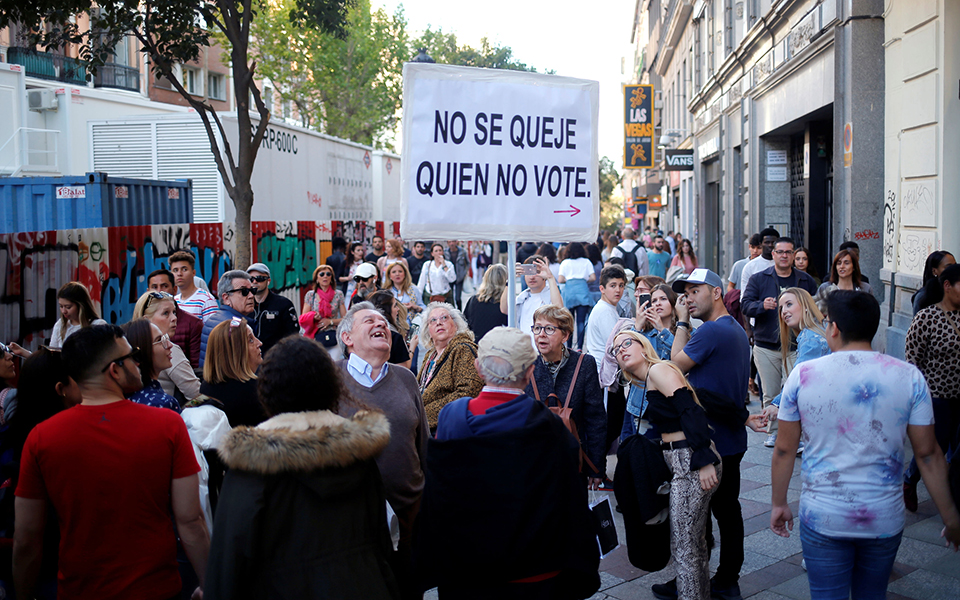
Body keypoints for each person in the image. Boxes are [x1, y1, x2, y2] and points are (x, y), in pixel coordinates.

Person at [770, 291, 960, 598]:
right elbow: (928, 454)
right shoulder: (909, 377)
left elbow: (784, 449)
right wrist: (950, 517)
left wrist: (779, 504)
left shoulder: (803, 375)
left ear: (834, 328)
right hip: (883, 516)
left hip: (823, 515)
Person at [13, 325, 209, 600]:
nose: (138, 362)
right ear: (114, 370)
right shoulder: (167, 425)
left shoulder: (41, 438)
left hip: (79, 590)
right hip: (156, 589)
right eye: (131, 357)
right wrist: (210, 583)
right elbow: (190, 520)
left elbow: (26, 539)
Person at [204, 336, 400, 599]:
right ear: (331, 387)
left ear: (268, 390)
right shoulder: (358, 455)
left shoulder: (251, 466)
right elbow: (382, 544)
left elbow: (227, 566)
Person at [417, 327, 601, 599]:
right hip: (535, 570)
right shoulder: (550, 426)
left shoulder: (452, 417)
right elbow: (569, 498)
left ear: (479, 369)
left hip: (467, 569)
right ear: (529, 372)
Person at [663, 268, 752, 600]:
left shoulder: (711, 332)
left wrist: (682, 322)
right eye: (684, 293)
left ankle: (711, 578)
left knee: (703, 515)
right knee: (725, 511)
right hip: (727, 435)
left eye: (694, 291)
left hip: (712, 438)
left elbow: (674, 365)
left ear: (716, 292)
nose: (687, 298)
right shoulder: (733, 329)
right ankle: (723, 577)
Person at [614, 331, 721, 600]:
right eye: (616, 349)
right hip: (681, 459)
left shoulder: (658, 369)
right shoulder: (647, 378)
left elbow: (690, 409)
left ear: (643, 345)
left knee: (684, 546)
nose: (621, 350)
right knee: (692, 544)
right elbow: (702, 398)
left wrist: (704, 460)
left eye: (627, 343)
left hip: (691, 458)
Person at [336, 302, 429, 599]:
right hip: (352, 519)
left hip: (408, 514)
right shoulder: (330, 380)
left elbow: (423, 444)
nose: (382, 325)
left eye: (384, 322)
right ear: (348, 338)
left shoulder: (406, 379)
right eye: (369, 321)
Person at [0, 347, 80, 599]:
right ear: (61, 389)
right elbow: (28, 537)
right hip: (55, 573)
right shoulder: (60, 444)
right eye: (75, 377)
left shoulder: (13, 435)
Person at [740, 237, 818, 448]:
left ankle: (797, 435)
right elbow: (745, 305)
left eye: (788, 252)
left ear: (793, 255)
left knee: (796, 390)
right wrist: (760, 305)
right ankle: (773, 433)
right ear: (772, 254)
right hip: (766, 344)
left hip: (796, 345)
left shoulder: (805, 281)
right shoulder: (759, 278)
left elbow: (814, 308)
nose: (784, 255)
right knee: (770, 392)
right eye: (780, 252)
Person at [525, 305, 606, 487]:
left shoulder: (584, 364)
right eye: (537, 328)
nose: (541, 334)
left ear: (566, 335)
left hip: (573, 459)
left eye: (549, 329)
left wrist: (596, 467)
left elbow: (595, 419)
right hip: (536, 461)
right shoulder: (526, 365)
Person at [902, 263, 960, 512]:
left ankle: (953, 495)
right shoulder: (927, 317)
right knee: (934, 446)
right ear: (947, 286)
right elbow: (912, 360)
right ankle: (910, 479)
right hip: (937, 397)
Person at [759, 288, 830, 455]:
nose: (784, 311)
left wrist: (776, 404)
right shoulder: (814, 332)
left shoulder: (811, 338)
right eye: (781, 308)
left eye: (789, 304)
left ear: (805, 306)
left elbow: (798, 378)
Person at [417, 303, 484, 432]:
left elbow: (468, 392)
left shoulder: (462, 349)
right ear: (428, 330)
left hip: (448, 428)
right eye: (433, 320)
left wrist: (425, 414)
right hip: (426, 427)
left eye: (444, 318)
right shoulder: (430, 355)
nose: (439, 323)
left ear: (456, 324)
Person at [133, 291, 200, 402]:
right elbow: (196, 394)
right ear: (146, 320)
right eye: (166, 313)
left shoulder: (127, 346)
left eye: (174, 312)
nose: (174, 318)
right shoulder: (170, 349)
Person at [200, 318, 265, 427]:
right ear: (235, 352)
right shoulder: (256, 390)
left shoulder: (206, 387)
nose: (260, 343)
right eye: (250, 340)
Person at [200, 270, 257, 369]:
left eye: (252, 291)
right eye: (244, 292)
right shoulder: (235, 326)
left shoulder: (214, 319)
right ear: (226, 298)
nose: (251, 296)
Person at [122, 319, 181, 413]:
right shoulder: (163, 404)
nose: (170, 345)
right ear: (142, 352)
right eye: (159, 340)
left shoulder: (122, 396)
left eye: (165, 338)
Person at [149, 269, 203, 370]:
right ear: (148, 291)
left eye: (164, 286)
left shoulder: (193, 324)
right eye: (154, 287)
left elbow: (196, 368)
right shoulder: (142, 324)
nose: (159, 291)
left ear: (174, 290)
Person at [500, 256, 564, 338]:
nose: (532, 277)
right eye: (528, 273)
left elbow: (559, 310)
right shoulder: (522, 297)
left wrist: (550, 277)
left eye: (536, 272)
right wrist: (510, 280)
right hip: (524, 347)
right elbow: (504, 309)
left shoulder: (551, 295)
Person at [247, 263, 298, 356]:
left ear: (268, 281)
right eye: (251, 279)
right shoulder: (245, 305)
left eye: (259, 278)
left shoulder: (283, 304)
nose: (254, 282)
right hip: (251, 360)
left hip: (276, 360)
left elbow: (293, 336)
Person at [584, 266, 627, 368]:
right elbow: (614, 346)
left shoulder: (608, 308)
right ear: (602, 289)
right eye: (613, 286)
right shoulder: (605, 311)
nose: (618, 290)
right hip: (603, 371)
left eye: (621, 285)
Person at [301, 265, 346, 356]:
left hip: (333, 336)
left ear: (332, 278)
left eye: (328, 274)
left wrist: (330, 322)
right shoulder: (311, 295)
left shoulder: (338, 294)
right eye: (321, 274)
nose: (325, 276)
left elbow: (345, 318)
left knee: (334, 365)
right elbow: (303, 318)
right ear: (317, 279)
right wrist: (313, 316)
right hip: (314, 337)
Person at [558, 243, 597, 350]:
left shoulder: (565, 263)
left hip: (570, 292)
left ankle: (569, 347)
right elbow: (593, 277)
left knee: (569, 322)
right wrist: (583, 280)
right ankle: (579, 347)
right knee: (581, 321)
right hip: (582, 291)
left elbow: (560, 280)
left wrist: (570, 280)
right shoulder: (586, 262)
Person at [49, 282, 106, 349]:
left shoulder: (98, 325)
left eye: (68, 307)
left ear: (81, 306)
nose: (63, 311)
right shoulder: (60, 324)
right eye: (61, 306)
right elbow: (52, 352)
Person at [815, 249, 872, 314]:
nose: (842, 266)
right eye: (839, 263)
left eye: (846, 263)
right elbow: (814, 313)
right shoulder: (825, 287)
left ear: (854, 267)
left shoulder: (865, 288)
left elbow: (871, 314)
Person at [463, 263, 509, 341]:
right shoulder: (504, 305)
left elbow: (465, 323)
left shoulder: (473, 300)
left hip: (476, 346)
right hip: (497, 347)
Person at [368, 291, 413, 370]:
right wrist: (412, 347)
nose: (398, 309)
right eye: (395, 306)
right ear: (388, 310)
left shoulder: (365, 333)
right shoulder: (394, 336)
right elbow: (404, 368)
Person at [171, 250, 218, 322]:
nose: (179, 274)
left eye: (184, 269)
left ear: (193, 273)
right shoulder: (174, 301)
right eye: (175, 270)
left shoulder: (206, 300)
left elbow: (213, 331)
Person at [912, 250, 956, 314]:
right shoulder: (923, 296)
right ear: (934, 271)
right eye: (948, 267)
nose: (953, 270)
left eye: (955, 265)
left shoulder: (956, 292)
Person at [738, 227, 779, 294]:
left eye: (773, 242)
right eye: (767, 242)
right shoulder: (750, 266)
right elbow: (745, 298)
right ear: (761, 244)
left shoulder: (784, 264)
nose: (770, 245)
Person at [444, 240, 469, 310]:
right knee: (450, 297)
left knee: (458, 298)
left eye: (453, 241)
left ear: (456, 242)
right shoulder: (445, 252)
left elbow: (467, 263)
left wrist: (464, 273)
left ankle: (460, 311)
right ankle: (452, 311)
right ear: (448, 243)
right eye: (450, 242)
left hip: (459, 277)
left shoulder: (462, 252)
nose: (452, 244)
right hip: (449, 277)